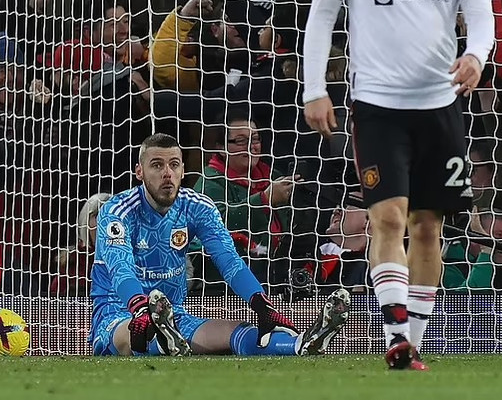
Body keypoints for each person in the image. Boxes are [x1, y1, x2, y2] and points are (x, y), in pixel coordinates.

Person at [301, 0, 494, 370]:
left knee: (429, 225)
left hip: (441, 105)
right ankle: (395, 336)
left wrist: (476, 56)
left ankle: (417, 342)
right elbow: (321, 20)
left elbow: (481, 19)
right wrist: (314, 87)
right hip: (376, 105)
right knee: (387, 219)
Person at [90, 132, 351, 357]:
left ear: (183, 169)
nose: (167, 174)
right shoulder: (117, 211)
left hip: (174, 317)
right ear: (139, 171)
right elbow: (120, 267)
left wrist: (261, 303)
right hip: (120, 315)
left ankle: (300, 343)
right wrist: (139, 307)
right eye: (157, 165)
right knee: (132, 335)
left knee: (235, 332)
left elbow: (228, 260)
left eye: (174, 165)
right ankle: (162, 341)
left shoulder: (197, 207)